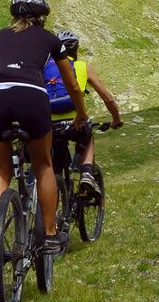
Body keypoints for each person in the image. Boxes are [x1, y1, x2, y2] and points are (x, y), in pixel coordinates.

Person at [0, 0, 64, 266]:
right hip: (31, 95)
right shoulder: (50, 39)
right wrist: (82, 113)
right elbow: (73, 85)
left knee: (0, 171)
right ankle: (49, 235)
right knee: (43, 165)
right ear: (42, 18)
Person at [52, 30, 125, 186]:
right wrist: (116, 119)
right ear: (76, 49)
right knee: (87, 134)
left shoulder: (45, 68)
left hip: (49, 125)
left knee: (54, 167)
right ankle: (86, 173)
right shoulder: (82, 67)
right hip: (75, 121)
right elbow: (107, 98)